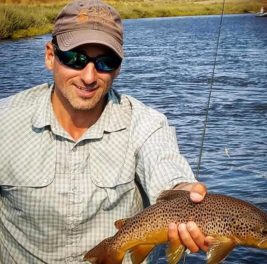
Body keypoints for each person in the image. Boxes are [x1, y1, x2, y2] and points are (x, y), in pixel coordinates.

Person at [0, 0, 212, 263]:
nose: (89, 77)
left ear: (119, 67)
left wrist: (185, 192)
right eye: (75, 58)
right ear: (50, 56)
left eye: (105, 62)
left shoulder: (147, 123)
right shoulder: (4, 121)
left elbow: (167, 170)